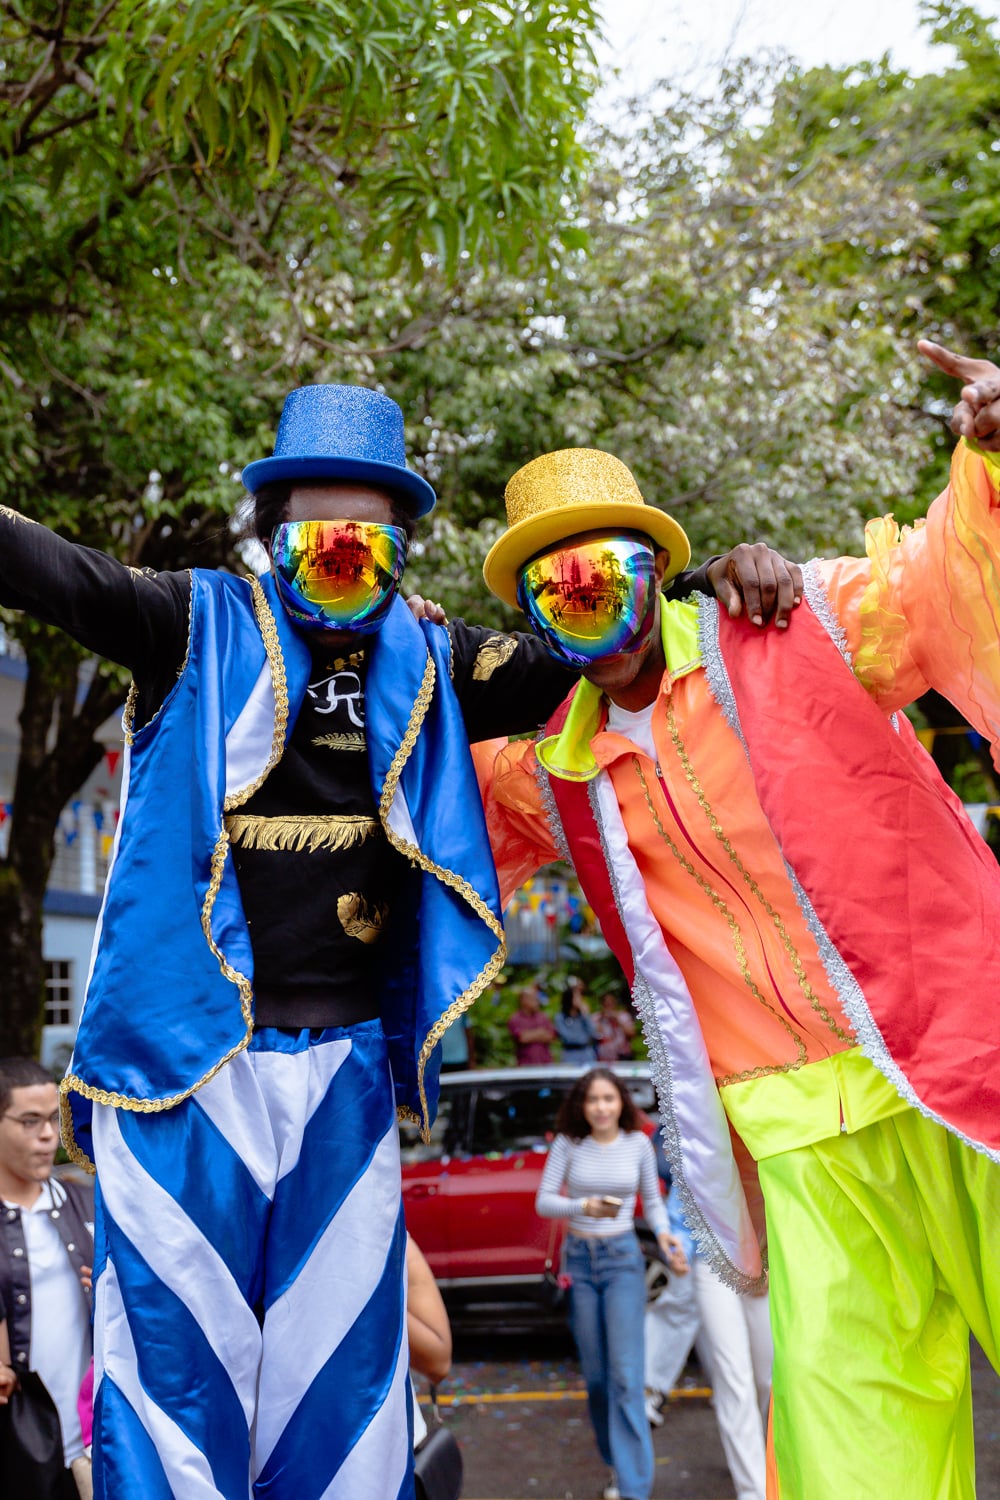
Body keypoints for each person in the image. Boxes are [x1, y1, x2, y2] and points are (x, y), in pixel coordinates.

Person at [0, 381, 779, 1497]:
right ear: (272, 540)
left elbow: (592, 638)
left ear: (402, 552)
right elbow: (56, 572)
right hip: (187, 1074)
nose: (343, 569)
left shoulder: (434, 658)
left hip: (347, 1073)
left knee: (342, 1397)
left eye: (367, 551)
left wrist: (714, 582)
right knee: (173, 1382)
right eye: (319, 546)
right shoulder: (191, 622)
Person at [478, 342, 1000, 1499]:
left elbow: (939, 583)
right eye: (561, 598)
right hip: (799, 1131)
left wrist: (991, 459)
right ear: (534, 621)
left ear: (658, 573)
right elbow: (406, 796)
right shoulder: (551, 774)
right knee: (855, 1453)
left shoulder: (796, 625)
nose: (595, 614)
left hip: (965, 1051)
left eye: (610, 580)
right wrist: (379, 645)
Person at [536, 1066, 686, 1500]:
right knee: (598, 1379)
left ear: (621, 1103)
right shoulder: (568, 1144)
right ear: (582, 1106)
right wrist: (583, 1206)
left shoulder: (637, 1144)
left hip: (622, 1262)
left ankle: (633, 1485)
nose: (601, 1107)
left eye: (608, 1098)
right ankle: (614, 1462)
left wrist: (664, 1234)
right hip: (581, 1264)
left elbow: (652, 1202)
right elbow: (544, 1201)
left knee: (625, 1377)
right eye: (593, 1100)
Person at [644, 1136, 771, 1500]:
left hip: (764, 1260)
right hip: (711, 1261)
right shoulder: (700, 1122)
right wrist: (679, 1248)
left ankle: (773, 1467)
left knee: (769, 1378)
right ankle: (753, 1490)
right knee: (734, 1377)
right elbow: (685, 1193)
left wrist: (770, 1257)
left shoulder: (769, 1117)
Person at [0, 1058, 94, 1498]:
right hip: (17, 1451)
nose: (47, 1135)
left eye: (54, 1119)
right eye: (29, 1121)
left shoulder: (86, 1203)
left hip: (89, 1444)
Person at [508, 984, 558, 1065]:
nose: (537, 1002)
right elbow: (522, 1038)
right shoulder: (515, 1019)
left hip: (546, 1064)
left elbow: (551, 1036)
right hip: (526, 1065)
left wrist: (530, 1035)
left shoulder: (543, 1017)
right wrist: (540, 1032)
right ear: (523, 1000)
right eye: (533, 999)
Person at [554, 975, 599, 1064]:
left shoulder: (583, 1016)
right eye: (576, 997)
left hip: (586, 1053)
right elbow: (566, 1037)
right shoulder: (560, 1017)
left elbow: (593, 1032)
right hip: (570, 1053)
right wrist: (583, 1038)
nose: (580, 999)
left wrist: (586, 1015)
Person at [594, 991, 636, 1063]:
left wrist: (618, 1021)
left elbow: (632, 1034)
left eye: (611, 1003)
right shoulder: (597, 1017)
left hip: (623, 1054)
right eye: (606, 1004)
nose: (609, 1006)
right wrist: (601, 1020)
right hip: (604, 1056)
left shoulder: (624, 1016)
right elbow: (594, 1035)